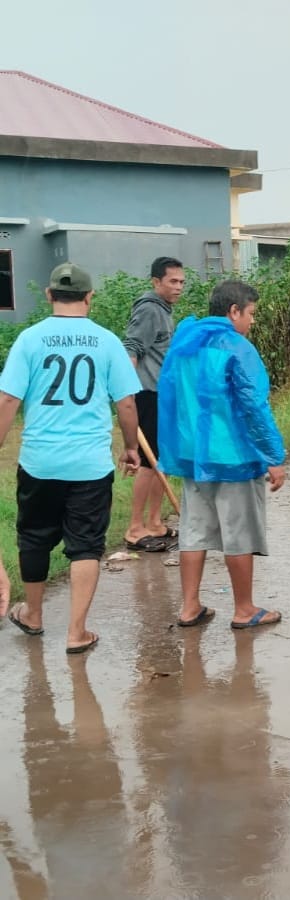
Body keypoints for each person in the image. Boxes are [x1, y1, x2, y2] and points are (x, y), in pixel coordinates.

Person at [0, 263, 142, 653]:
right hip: (90, 465)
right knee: (84, 546)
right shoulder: (107, 341)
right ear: (89, 297)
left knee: (33, 538)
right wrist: (131, 447)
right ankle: (77, 632)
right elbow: (127, 404)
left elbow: (9, 399)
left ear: (49, 296)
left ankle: (32, 614)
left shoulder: (29, 340)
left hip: (39, 461)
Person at [156, 280, 287, 630]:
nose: (252, 321)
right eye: (251, 314)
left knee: (194, 530)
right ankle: (244, 609)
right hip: (233, 457)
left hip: (192, 455)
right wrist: (273, 456)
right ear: (234, 311)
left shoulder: (186, 342)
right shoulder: (237, 347)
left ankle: (189, 606)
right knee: (238, 533)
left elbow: (171, 398)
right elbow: (253, 406)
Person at [123, 256, 185, 552]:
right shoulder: (149, 309)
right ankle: (135, 528)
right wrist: (124, 391)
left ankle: (155, 523)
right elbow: (132, 347)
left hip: (163, 395)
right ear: (156, 282)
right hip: (147, 395)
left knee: (163, 460)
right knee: (149, 463)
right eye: (173, 281)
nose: (179, 287)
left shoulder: (164, 310)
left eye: (182, 282)